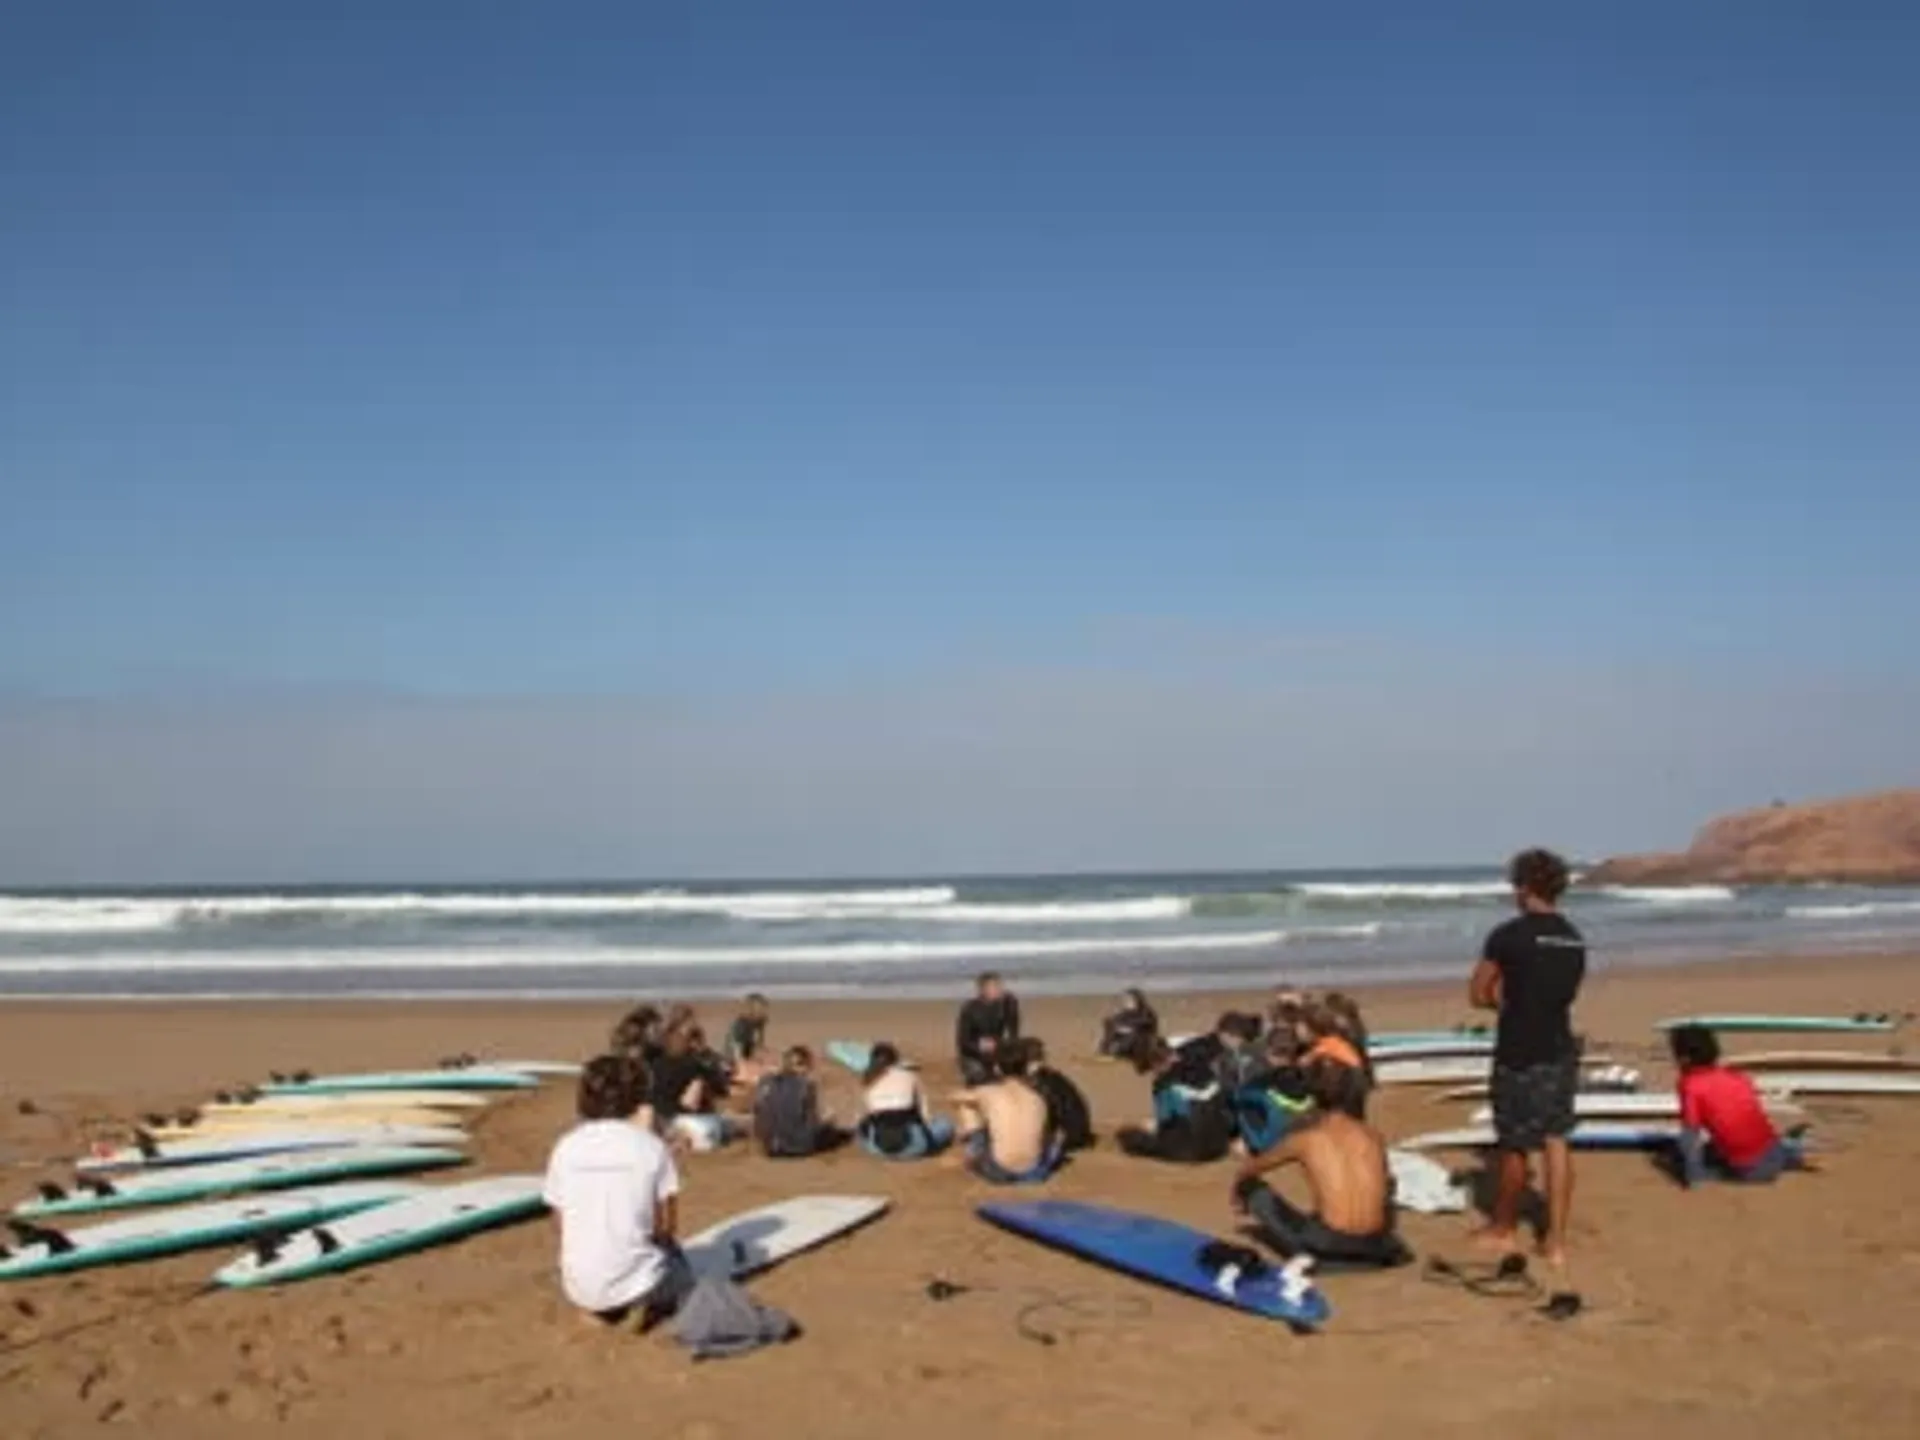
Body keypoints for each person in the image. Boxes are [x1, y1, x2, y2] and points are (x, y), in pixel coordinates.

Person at [1468, 847, 1587, 1268]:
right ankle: (1555, 1241)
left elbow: (1478, 993)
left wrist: (1504, 1004)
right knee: (1556, 1139)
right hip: (1559, 1044)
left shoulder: (1508, 935)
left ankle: (1502, 1228)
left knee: (1515, 1143)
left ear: (1524, 888)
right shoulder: (1573, 937)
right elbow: (1566, 993)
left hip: (1520, 1048)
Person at [543, 1053, 691, 1328]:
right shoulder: (651, 1147)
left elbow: (559, 1223)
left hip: (579, 1285)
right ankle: (640, 1301)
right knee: (681, 1270)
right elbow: (667, 1226)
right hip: (639, 1280)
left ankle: (593, 1310)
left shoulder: (565, 1146)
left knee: (585, 1263)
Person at [1229, 1062, 1409, 1268]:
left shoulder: (1306, 1138)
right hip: (1376, 1244)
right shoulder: (1373, 1137)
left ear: (1313, 1100)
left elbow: (1251, 1168)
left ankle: (1321, 1258)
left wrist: (1238, 1191)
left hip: (1328, 1244)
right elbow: (1385, 1186)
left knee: (1252, 1189)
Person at [1668, 1024, 1812, 1185]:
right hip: (1775, 1151)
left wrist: (1693, 1174)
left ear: (1684, 1059)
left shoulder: (1690, 1085)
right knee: (1724, 1145)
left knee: (1683, 1156)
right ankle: (1791, 1151)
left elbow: (1690, 1134)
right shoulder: (1737, 1077)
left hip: (1751, 1171)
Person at [1117, 1036, 1234, 1164]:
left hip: (1187, 1150)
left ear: (1155, 1063)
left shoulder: (1164, 1083)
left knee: (1128, 1137)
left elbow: (1166, 1122)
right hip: (1219, 1146)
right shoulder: (1202, 1066)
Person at [951, 1045, 1060, 1184]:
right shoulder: (1037, 1097)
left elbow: (955, 1097)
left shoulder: (989, 1092)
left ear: (997, 1068)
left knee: (967, 1105)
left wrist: (983, 1114)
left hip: (999, 1171)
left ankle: (974, 1152)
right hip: (1034, 1172)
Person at [856, 1043, 955, 1160]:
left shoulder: (869, 1080)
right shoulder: (909, 1075)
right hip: (914, 1146)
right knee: (944, 1122)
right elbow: (925, 1115)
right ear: (896, 1060)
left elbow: (864, 1119)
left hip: (879, 1149)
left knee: (865, 1131)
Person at [752, 1045, 842, 1158]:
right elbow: (812, 1121)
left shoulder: (765, 1081)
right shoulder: (807, 1085)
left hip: (768, 1146)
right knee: (830, 1127)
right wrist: (828, 1121)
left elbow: (757, 1110)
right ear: (804, 1065)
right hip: (797, 1146)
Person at [1020, 1038, 1094, 1152]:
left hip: (1065, 1135)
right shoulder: (1051, 1077)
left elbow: (1053, 1110)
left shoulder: (1040, 1081)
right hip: (1075, 1129)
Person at [1299, 1003, 1370, 1120]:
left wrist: (1305, 1060)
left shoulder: (1326, 1043)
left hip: (1351, 1078)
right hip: (1356, 1077)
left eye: (1303, 1027)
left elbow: (1315, 1054)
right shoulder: (1334, 1039)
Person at [955, 972, 1021, 1085]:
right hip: (973, 1053)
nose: (997, 990)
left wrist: (1005, 1045)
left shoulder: (1006, 1004)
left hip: (997, 1050)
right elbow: (962, 1042)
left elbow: (1013, 1031)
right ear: (982, 990)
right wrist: (980, 1046)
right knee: (981, 1077)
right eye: (992, 987)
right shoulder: (969, 1009)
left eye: (998, 986)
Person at [1099, 988, 1160, 1060]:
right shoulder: (1128, 1013)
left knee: (1131, 1035)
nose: (1127, 1002)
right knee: (1111, 1026)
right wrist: (1111, 1022)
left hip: (1144, 1041)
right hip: (1132, 1038)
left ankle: (1120, 1051)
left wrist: (1126, 1026)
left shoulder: (1147, 1012)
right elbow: (1116, 1019)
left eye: (1130, 1000)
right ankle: (1106, 1048)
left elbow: (1144, 1023)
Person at [725, 994, 773, 1082]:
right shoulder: (740, 1024)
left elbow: (760, 1043)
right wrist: (743, 1067)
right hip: (734, 1058)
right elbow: (736, 1049)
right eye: (759, 1010)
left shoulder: (759, 1022)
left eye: (764, 1009)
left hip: (748, 1052)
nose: (764, 1013)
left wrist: (761, 1056)